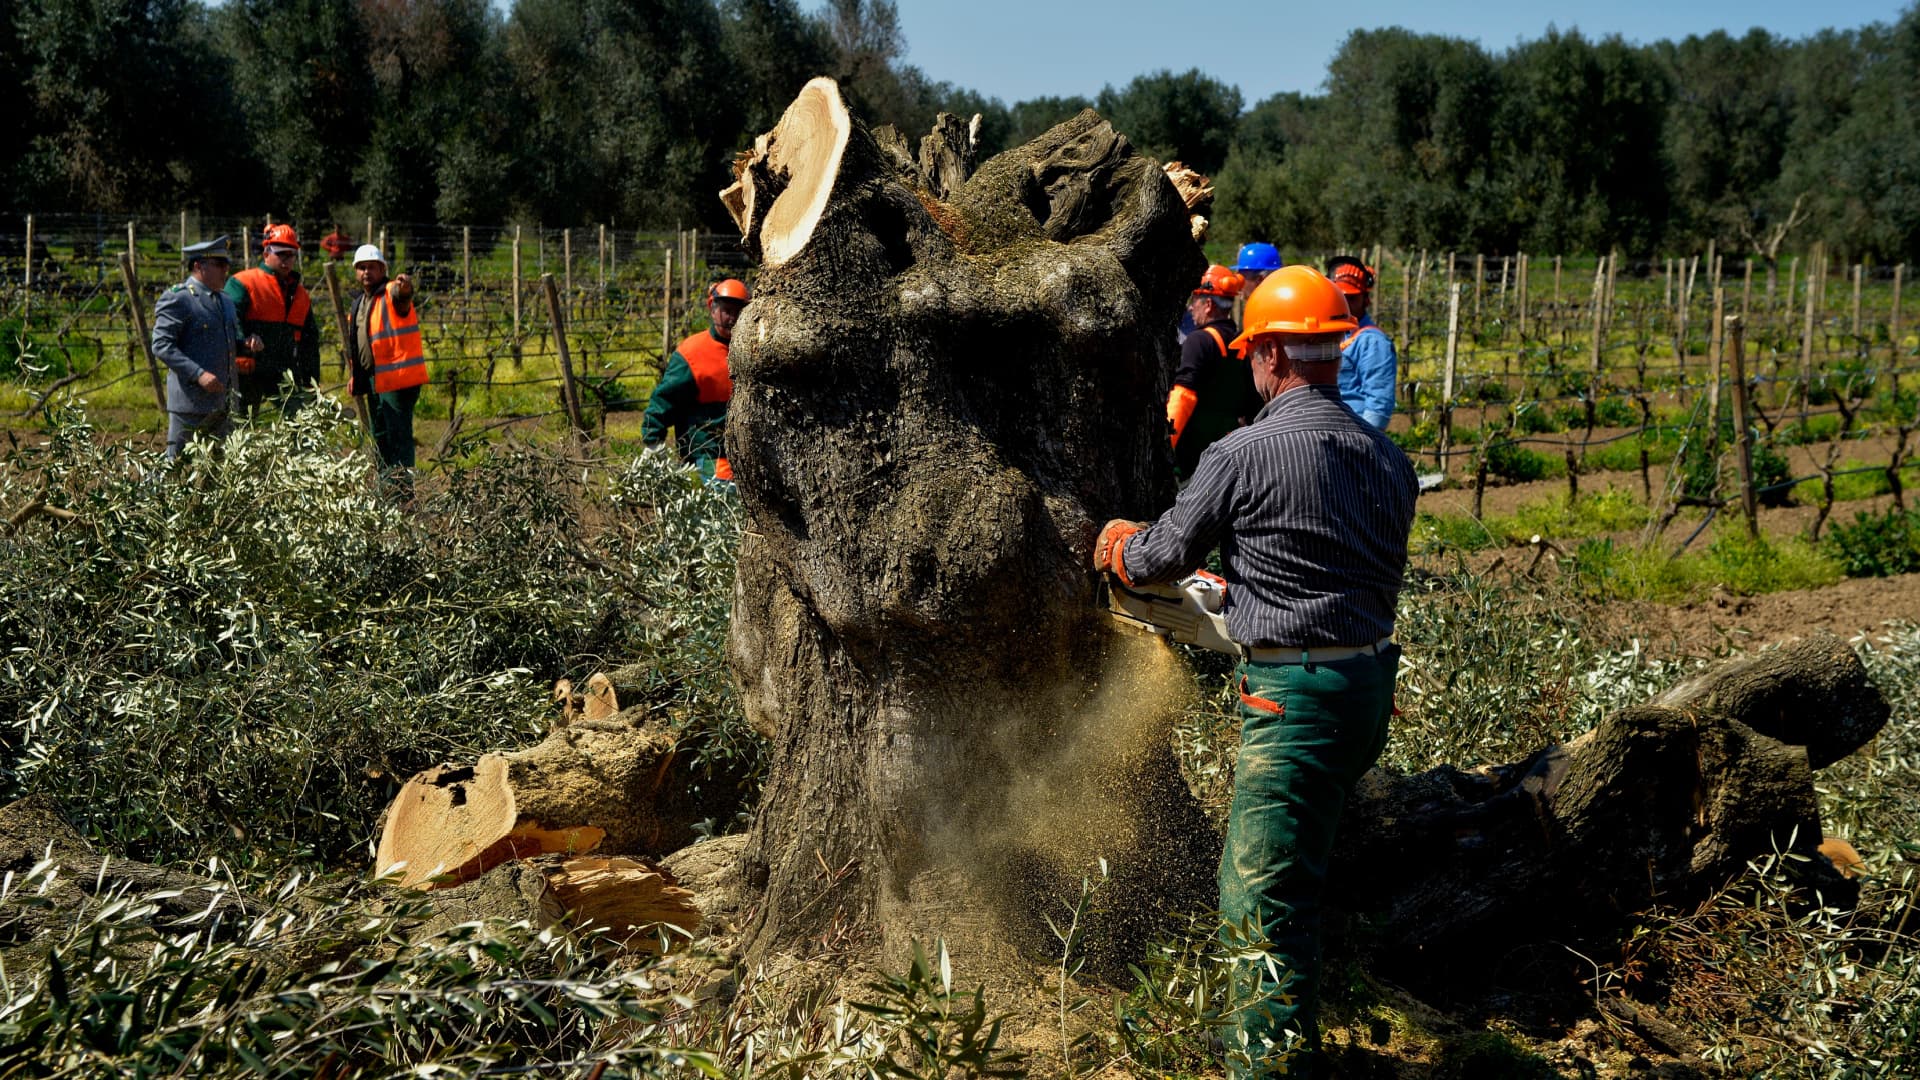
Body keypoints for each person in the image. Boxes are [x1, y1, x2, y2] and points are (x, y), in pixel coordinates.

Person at [1094, 265, 1418, 1078]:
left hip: (1295, 695)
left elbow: (1163, 555)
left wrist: (1116, 547)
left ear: (1269, 353)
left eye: (1253, 354)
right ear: (1335, 354)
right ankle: (1276, 1029)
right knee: (1299, 868)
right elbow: (1333, 559)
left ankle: (1264, 1064)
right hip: (1368, 683)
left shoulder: (1245, 450)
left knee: (1261, 895)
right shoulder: (1387, 456)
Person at [644, 278, 749, 481]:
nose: (733, 318)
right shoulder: (692, 353)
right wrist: (653, 442)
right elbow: (663, 399)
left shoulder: (754, 351)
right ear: (712, 308)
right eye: (727, 311)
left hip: (751, 454)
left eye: (739, 312)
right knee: (724, 505)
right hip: (709, 456)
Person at [152, 236, 247, 459]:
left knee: (219, 469)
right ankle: (151, 494)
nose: (226, 270)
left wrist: (247, 344)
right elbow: (161, 345)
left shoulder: (224, 300)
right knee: (174, 465)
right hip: (190, 402)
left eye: (227, 265)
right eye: (219, 265)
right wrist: (199, 374)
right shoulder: (179, 299)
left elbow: (225, 343)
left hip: (222, 402)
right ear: (198, 266)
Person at [347, 244, 429, 499]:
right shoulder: (360, 303)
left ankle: (404, 495)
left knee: (398, 437)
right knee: (380, 437)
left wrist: (405, 287)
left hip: (398, 381)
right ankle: (387, 492)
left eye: (372, 267)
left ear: (383, 270)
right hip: (374, 380)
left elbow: (403, 295)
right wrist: (356, 377)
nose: (366, 272)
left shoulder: (391, 294)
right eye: (361, 267)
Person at [1170, 264, 1260, 480]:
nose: (1191, 308)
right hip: (1229, 454)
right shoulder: (1243, 344)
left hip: (1191, 456)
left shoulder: (1199, 341)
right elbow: (1254, 406)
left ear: (1208, 304)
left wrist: (1166, 444)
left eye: (1194, 301)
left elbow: (1183, 397)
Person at [226, 223, 320, 417]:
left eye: (291, 254)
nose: (286, 260)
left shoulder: (300, 294)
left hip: (283, 369)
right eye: (281, 254)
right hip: (247, 369)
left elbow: (309, 341)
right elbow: (229, 319)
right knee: (239, 425)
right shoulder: (243, 282)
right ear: (266, 253)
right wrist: (244, 340)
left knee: (302, 421)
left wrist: (312, 383)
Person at [1326, 256, 1397, 430]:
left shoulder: (1373, 342)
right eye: (1340, 296)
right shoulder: (1328, 333)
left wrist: (1361, 444)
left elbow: (1378, 408)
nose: (1345, 304)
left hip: (1352, 439)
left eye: (1352, 298)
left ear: (1365, 299)